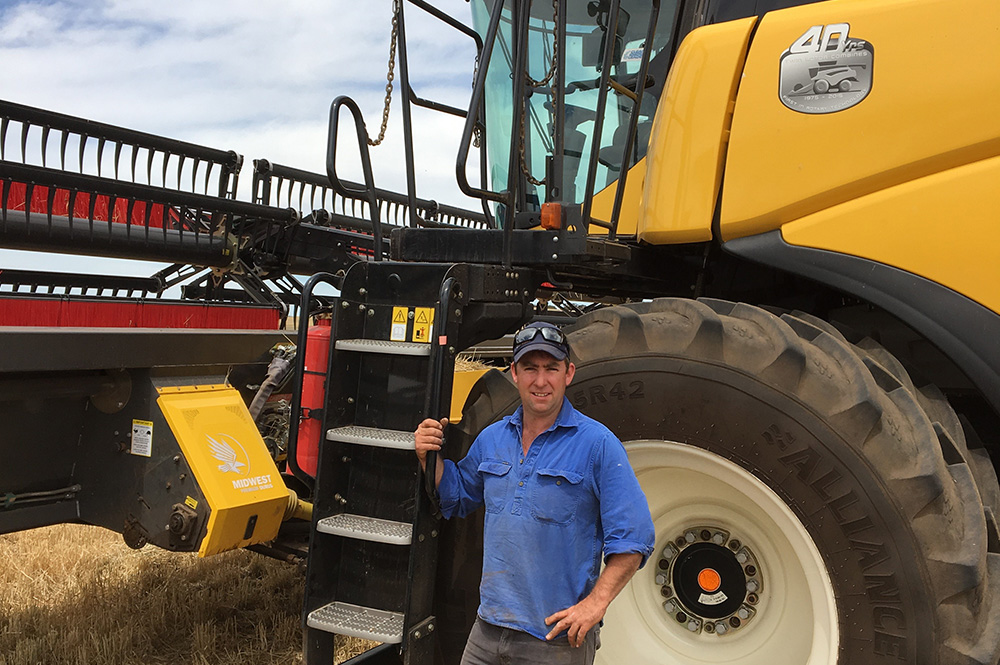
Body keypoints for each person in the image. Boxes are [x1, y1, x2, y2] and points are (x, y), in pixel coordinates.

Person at [415, 321, 655, 665]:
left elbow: (634, 538)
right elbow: (456, 496)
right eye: (530, 368)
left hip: (554, 642)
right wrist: (429, 457)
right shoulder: (492, 439)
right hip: (487, 631)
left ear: (568, 373)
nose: (540, 381)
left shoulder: (598, 445)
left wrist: (594, 605)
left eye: (551, 369)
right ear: (514, 373)